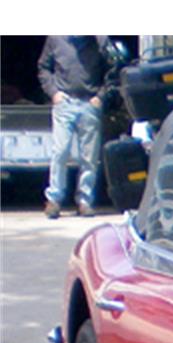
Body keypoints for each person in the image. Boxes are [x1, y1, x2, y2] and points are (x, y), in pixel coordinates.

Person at [37, 35, 109, 218]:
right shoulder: (56, 38)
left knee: (89, 157)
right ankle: (54, 200)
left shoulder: (99, 40)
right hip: (65, 102)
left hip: (89, 103)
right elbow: (43, 67)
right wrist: (53, 93)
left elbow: (113, 71)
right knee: (60, 152)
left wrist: (101, 96)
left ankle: (85, 201)